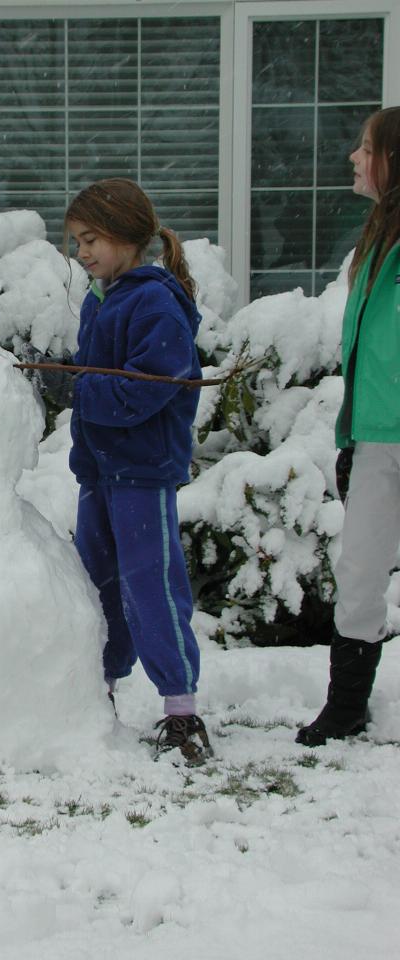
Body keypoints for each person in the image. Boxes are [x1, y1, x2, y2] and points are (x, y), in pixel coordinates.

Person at [64, 178, 211, 764]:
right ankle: (95, 692)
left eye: (91, 239)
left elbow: (148, 388)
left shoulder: (155, 301)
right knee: (95, 582)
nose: (83, 253)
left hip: (142, 471)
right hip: (101, 471)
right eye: (76, 243)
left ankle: (181, 710)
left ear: (127, 234)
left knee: (150, 585)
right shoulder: (103, 297)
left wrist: (80, 389)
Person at [297, 106, 400, 746]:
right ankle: (346, 707)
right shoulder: (376, 238)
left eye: (366, 149)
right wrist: (350, 438)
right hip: (375, 434)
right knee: (360, 569)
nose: (354, 159)